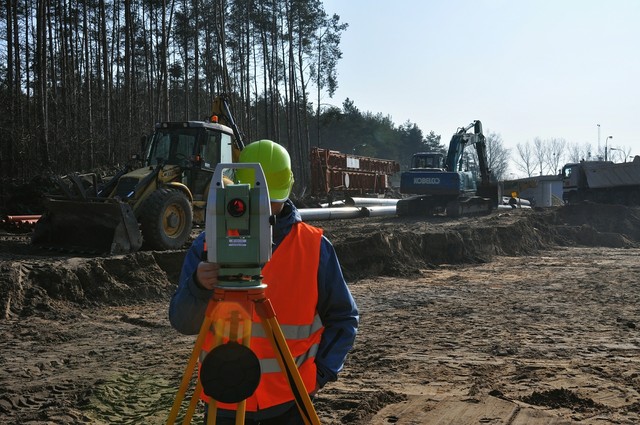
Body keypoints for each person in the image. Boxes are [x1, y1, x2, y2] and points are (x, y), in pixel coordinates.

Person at [169, 139, 359, 424]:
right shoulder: (208, 246)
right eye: (258, 198)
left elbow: (344, 317)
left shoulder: (314, 246)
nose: (264, 207)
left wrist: (319, 375)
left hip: (290, 400)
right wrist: (197, 286)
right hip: (224, 397)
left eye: (270, 199)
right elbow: (183, 322)